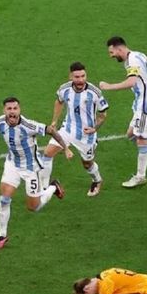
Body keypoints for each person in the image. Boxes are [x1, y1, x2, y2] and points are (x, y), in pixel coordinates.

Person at [0, 97, 72, 249]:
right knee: (4, 198)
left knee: (34, 207)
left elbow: (51, 131)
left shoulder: (29, 126)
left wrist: (65, 148)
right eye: (9, 109)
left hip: (31, 168)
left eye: (15, 108)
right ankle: (2, 235)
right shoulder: (0, 122)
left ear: (19, 110)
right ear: (4, 110)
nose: (12, 112)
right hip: (12, 164)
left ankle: (53, 187)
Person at [98, 36, 147, 188]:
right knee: (131, 134)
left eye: (112, 52)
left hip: (146, 108)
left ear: (119, 48)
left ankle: (140, 176)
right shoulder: (138, 54)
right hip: (142, 105)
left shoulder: (132, 61)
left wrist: (109, 86)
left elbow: (131, 81)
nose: (111, 56)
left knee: (142, 139)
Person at [42, 62, 109, 197]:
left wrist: (94, 129)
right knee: (47, 153)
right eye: (77, 77)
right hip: (67, 129)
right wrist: (54, 120)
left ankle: (97, 180)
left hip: (86, 135)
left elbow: (103, 115)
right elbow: (59, 101)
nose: (80, 80)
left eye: (83, 76)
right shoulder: (64, 89)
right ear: (70, 77)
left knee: (87, 164)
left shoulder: (94, 92)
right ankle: (45, 187)